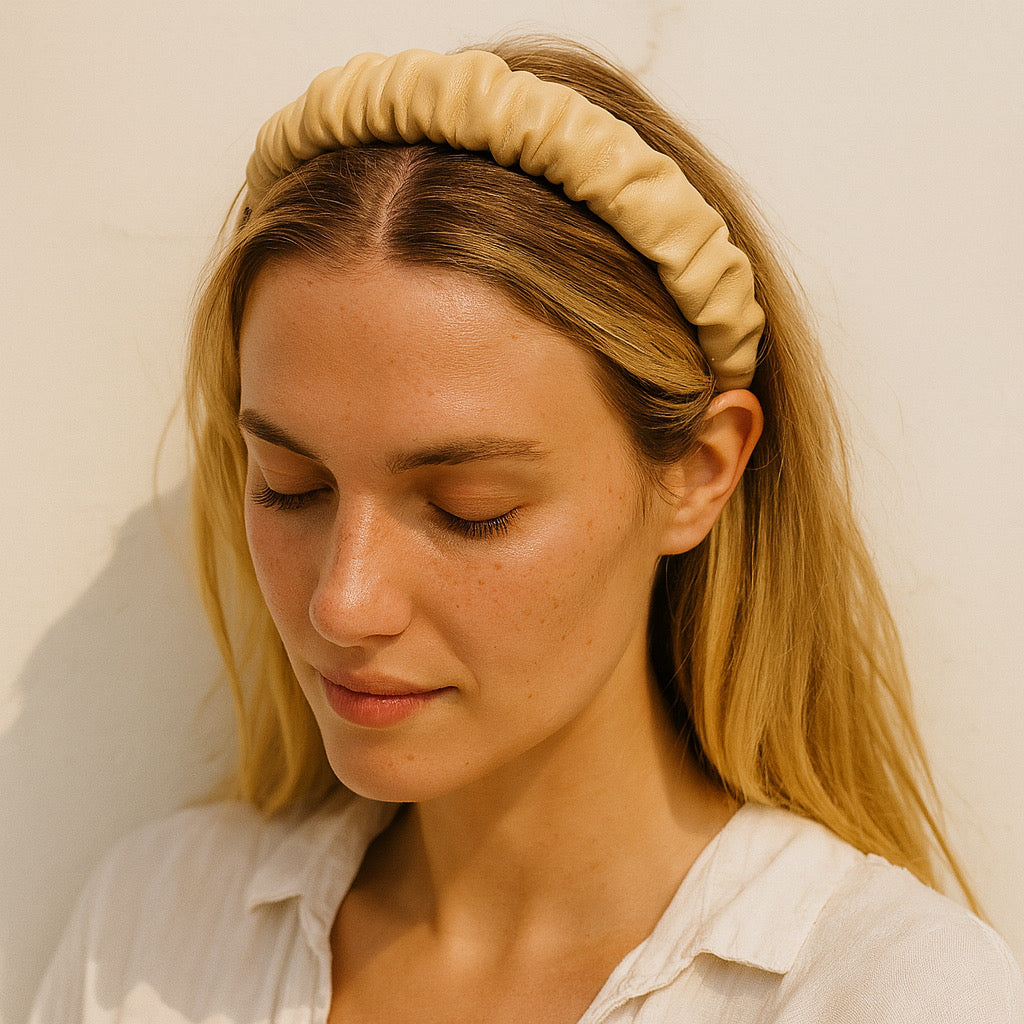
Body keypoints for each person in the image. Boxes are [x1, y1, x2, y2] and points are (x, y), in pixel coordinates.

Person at [32, 36, 1023, 1024]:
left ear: (698, 472)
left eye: (471, 508)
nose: (343, 601)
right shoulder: (155, 935)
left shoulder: (890, 994)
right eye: (291, 487)